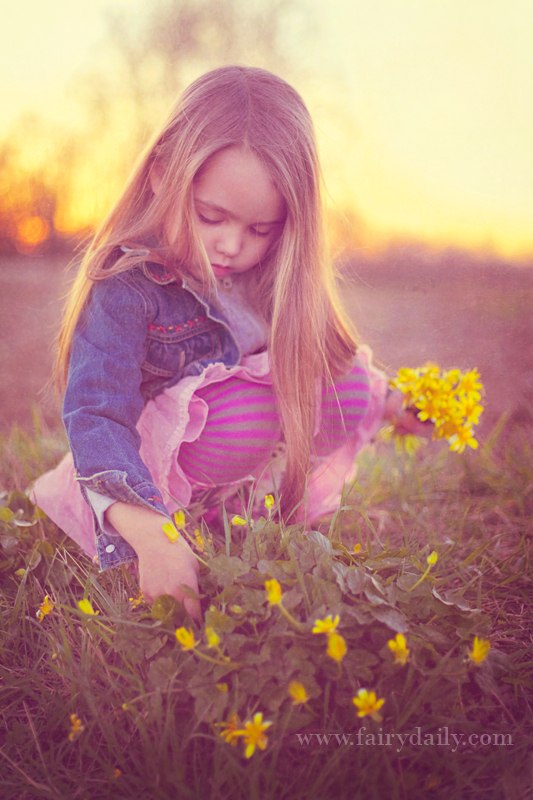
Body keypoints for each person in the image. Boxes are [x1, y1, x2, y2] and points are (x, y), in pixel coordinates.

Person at [32, 65, 425, 621]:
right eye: (210, 216)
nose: (232, 245)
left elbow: (322, 354)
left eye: (261, 229)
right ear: (163, 175)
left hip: (233, 473)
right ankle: (190, 522)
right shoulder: (128, 287)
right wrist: (152, 536)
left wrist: (391, 404)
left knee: (350, 382)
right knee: (241, 409)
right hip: (143, 489)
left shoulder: (270, 276)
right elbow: (96, 416)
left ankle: (245, 512)